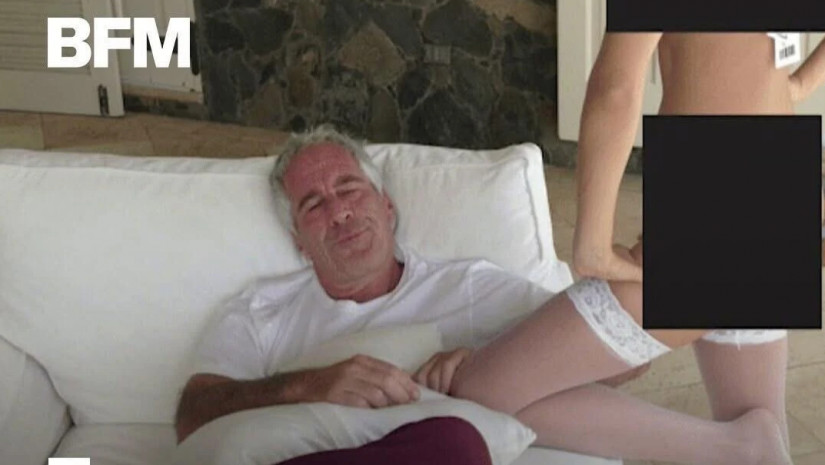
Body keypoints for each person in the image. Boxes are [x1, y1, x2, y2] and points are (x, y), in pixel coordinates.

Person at [175, 126, 792, 465]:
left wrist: (489, 366)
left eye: (349, 189)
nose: (338, 211)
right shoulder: (261, 313)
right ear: (298, 240)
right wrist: (309, 384)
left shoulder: (467, 286)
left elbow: (617, 364)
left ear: (386, 206)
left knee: (476, 399)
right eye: (313, 204)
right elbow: (192, 416)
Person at [572, 32, 825, 460]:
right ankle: (744, 443)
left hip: (709, 200)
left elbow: (615, 90)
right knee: (760, 421)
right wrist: (798, 84)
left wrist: (593, 243)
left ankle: (737, 445)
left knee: (482, 388)